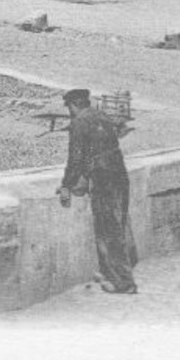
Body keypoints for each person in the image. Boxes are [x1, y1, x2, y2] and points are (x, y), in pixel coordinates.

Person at [56, 88, 138, 294]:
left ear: (73, 106)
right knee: (117, 225)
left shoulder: (79, 122)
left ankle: (124, 283)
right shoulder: (102, 115)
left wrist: (67, 184)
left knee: (109, 230)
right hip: (120, 175)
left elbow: (75, 159)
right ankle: (108, 272)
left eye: (69, 108)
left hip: (103, 179)